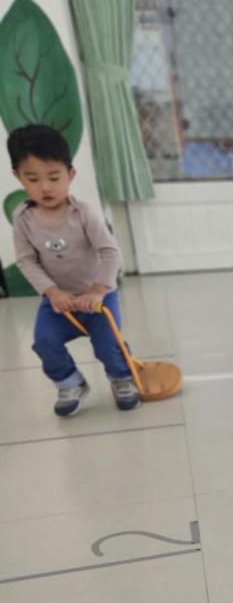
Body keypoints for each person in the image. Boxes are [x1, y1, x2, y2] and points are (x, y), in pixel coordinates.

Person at [7, 123, 140, 417]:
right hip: (59, 302)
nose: (45, 187)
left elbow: (110, 252)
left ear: (71, 174)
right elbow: (26, 260)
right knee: (45, 342)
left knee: (108, 344)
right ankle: (70, 382)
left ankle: (122, 378)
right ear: (18, 176)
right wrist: (52, 292)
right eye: (33, 178)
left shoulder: (83, 213)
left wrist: (98, 290)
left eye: (54, 177)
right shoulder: (24, 218)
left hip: (99, 298)